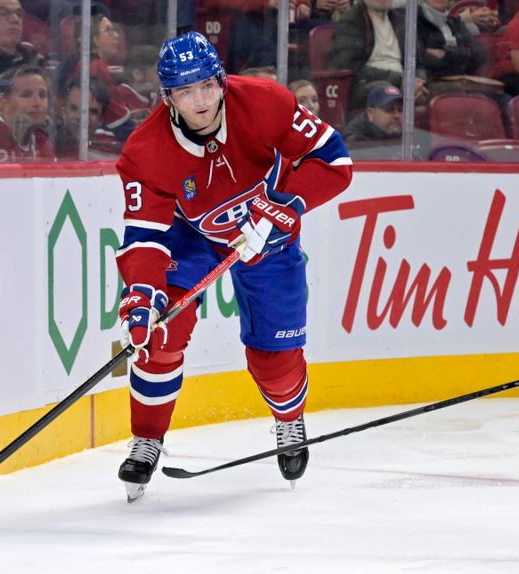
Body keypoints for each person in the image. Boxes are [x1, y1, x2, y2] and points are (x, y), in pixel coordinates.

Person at [114, 32, 352, 501]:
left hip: (271, 232)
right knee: (160, 332)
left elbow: (334, 160)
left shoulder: (267, 103)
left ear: (221, 81)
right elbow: (144, 236)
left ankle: (289, 421)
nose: (199, 100)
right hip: (192, 235)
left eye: (205, 85)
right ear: (168, 99)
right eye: (184, 91)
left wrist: (287, 206)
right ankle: (147, 439)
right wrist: (141, 293)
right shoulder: (145, 152)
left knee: (275, 357)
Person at [328, 0, 429, 108]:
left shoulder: (399, 19)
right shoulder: (351, 20)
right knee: (385, 89)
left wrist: (418, 81)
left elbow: (417, 62)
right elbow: (351, 65)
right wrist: (399, 80)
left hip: (402, 82)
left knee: (435, 91)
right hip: (364, 85)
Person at [0, 64, 54, 162]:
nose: (37, 103)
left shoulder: (42, 143)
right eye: (26, 95)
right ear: (4, 102)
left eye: (42, 95)